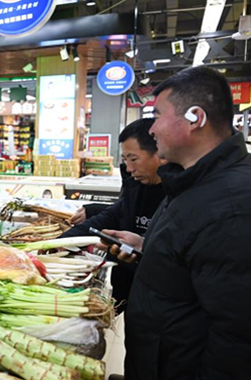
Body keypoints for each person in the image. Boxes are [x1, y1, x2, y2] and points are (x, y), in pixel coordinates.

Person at [103, 66, 251, 379]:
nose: (152, 129)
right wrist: (146, 249)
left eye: (157, 115)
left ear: (195, 118)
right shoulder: (192, 182)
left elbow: (237, 335)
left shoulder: (233, 203)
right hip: (160, 359)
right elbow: (194, 265)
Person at [60, 118, 166, 314]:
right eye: (125, 160)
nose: (129, 168)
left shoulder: (179, 194)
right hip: (126, 285)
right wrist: (62, 242)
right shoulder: (135, 185)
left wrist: (143, 245)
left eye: (133, 159)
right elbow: (112, 214)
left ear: (160, 153)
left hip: (160, 294)